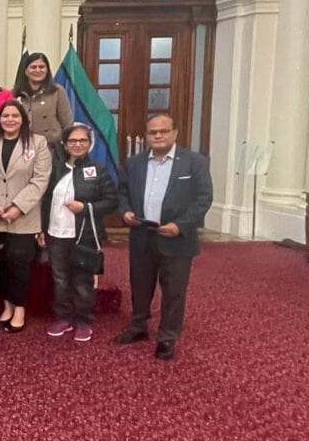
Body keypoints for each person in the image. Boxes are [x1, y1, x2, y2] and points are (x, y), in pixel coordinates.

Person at [115, 114, 213, 360]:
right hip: (142, 234)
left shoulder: (194, 163)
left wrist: (180, 225)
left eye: (163, 131)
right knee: (140, 284)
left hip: (177, 238)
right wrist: (125, 211)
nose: (158, 136)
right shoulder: (134, 162)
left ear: (175, 133)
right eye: (153, 132)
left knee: (174, 290)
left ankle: (167, 336)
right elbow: (123, 191)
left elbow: (203, 198)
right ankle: (138, 327)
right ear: (146, 135)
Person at [39, 123, 118, 343]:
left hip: (84, 235)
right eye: (72, 141)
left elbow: (112, 201)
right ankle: (63, 317)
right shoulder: (56, 169)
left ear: (90, 144)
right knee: (60, 279)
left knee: (82, 280)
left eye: (82, 140)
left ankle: (84, 320)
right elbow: (46, 201)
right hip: (56, 233)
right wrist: (42, 229)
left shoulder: (99, 170)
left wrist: (85, 207)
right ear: (64, 144)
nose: (77, 145)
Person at [0, 101, 52, 333]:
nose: (10, 119)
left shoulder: (38, 143)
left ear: (23, 118)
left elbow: (40, 179)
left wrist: (18, 207)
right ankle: (7, 306)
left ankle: (20, 309)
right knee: (2, 263)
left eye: (14, 115)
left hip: (24, 217)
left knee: (19, 263)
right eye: (5, 116)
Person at [13, 52, 73, 145]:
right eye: (33, 67)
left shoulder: (57, 91)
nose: (37, 70)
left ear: (47, 70)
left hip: (50, 147)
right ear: (25, 71)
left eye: (41, 67)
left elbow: (67, 123)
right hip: (22, 146)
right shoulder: (15, 94)